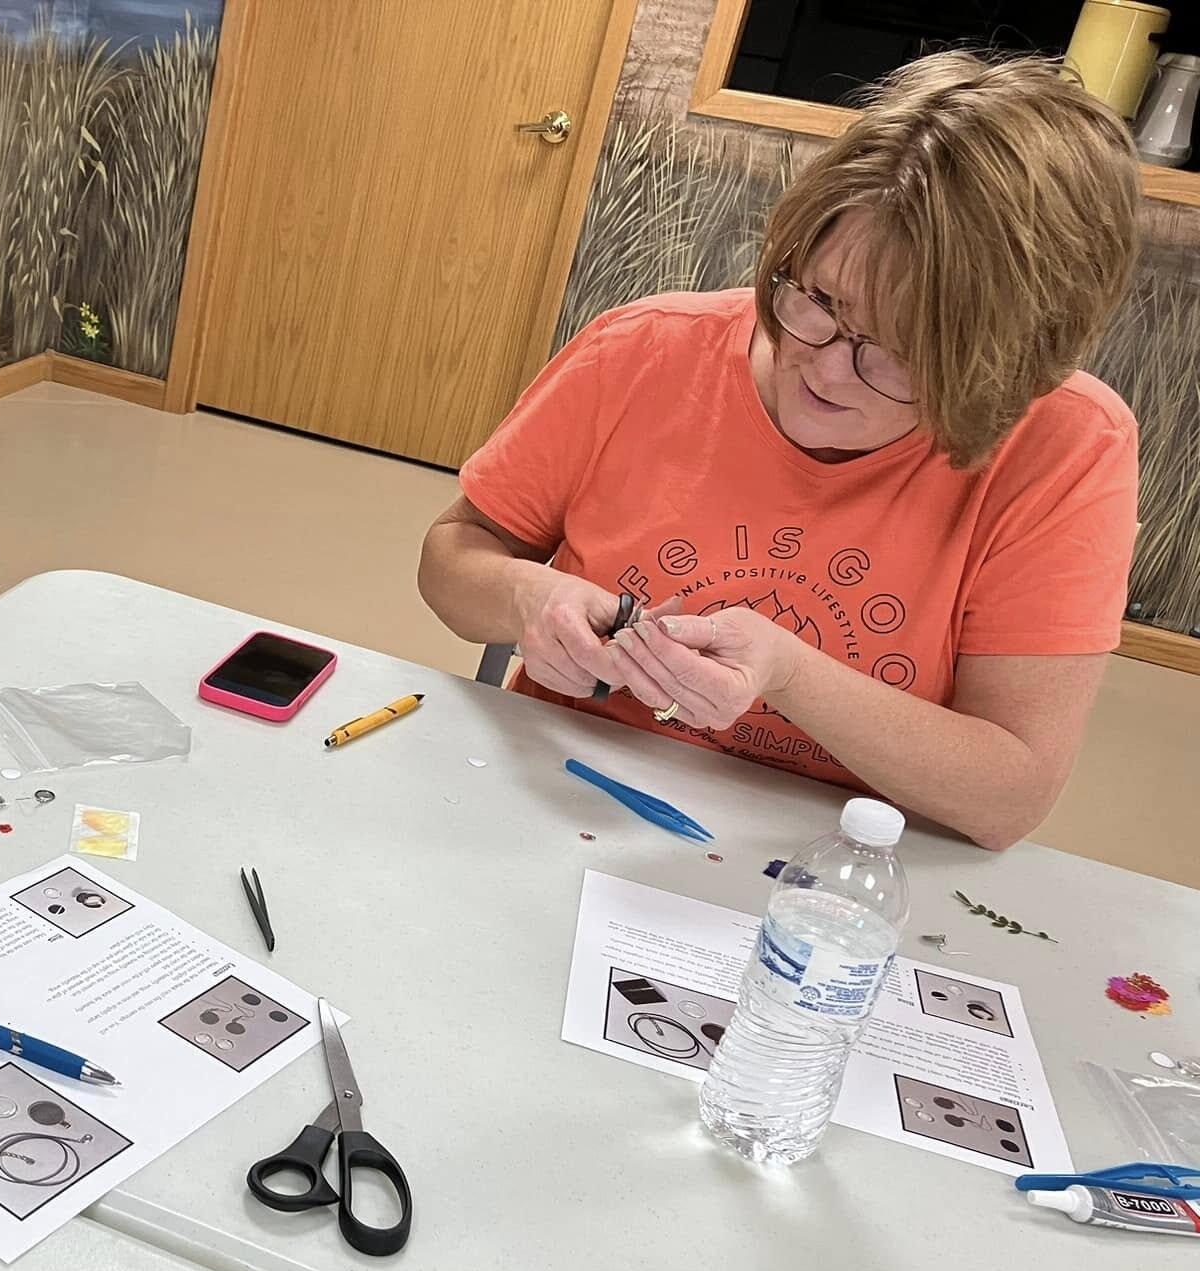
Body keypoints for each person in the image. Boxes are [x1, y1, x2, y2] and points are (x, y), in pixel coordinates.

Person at [419, 52, 1139, 852]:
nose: (827, 367)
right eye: (819, 299)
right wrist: (527, 598)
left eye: (900, 350)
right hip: (568, 798)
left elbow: (1008, 796)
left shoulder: (1066, 443)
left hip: (835, 859)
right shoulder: (647, 351)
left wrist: (790, 676)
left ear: (1009, 365)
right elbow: (452, 560)